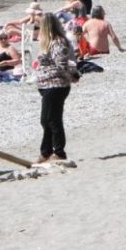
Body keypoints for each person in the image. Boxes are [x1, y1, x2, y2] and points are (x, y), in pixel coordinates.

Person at [34, 13, 78, 162]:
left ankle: (59, 152)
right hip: (47, 85)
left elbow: (62, 65)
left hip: (56, 85)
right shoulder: (48, 42)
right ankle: (46, 152)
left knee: (52, 119)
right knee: (46, 119)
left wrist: (71, 77)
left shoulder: (58, 42)